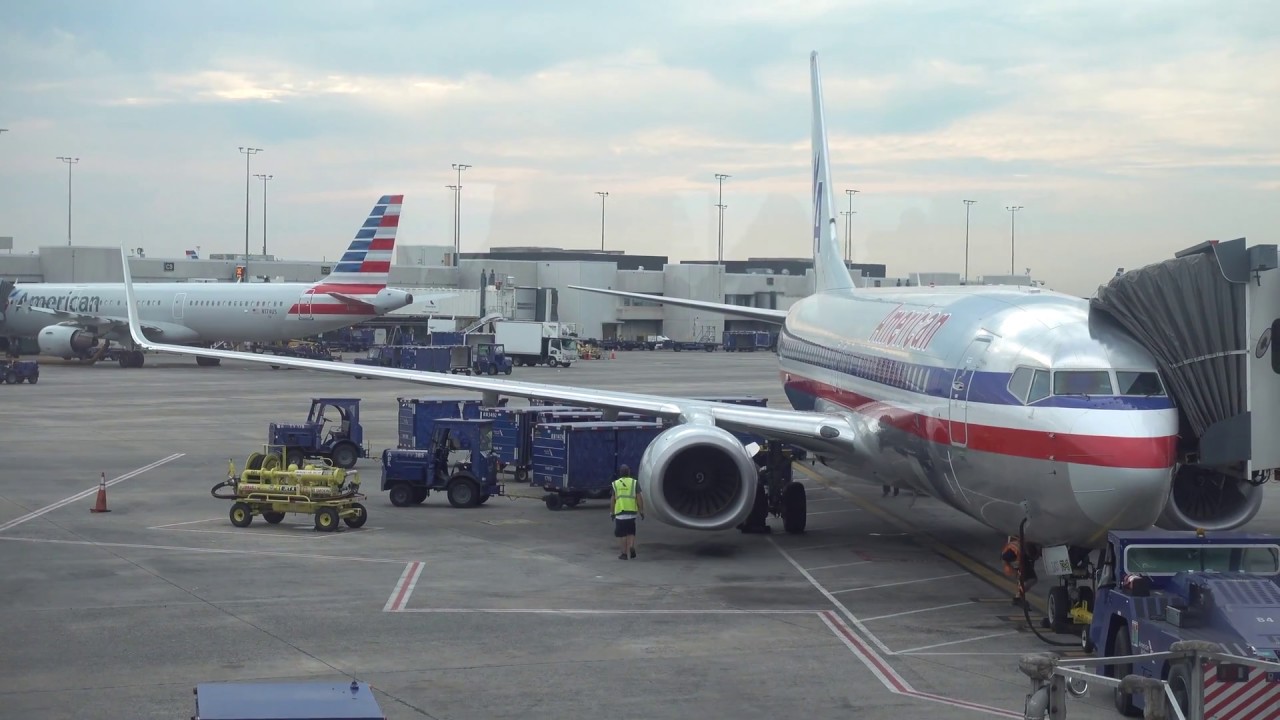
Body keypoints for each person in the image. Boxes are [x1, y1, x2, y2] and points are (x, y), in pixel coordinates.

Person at [610, 465, 644, 559]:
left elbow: (613, 500)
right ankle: (631, 547)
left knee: (622, 534)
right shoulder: (634, 483)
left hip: (620, 512)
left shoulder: (615, 484)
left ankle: (624, 554)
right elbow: (639, 498)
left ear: (620, 473)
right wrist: (641, 510)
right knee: (631, 532)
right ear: (629, 472)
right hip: (632, 512)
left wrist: (612, 512)